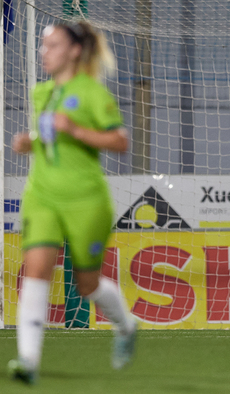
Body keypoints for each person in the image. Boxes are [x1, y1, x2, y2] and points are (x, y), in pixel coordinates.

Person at [7, 21, 137, 384]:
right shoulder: (41, 93)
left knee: (87, 285)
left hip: (86, 201)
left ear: (74, 51)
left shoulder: (92, 93)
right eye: (43, 46)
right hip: (42, 196)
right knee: (35, 272)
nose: (44, 52)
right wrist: (30, 142)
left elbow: (120, 141)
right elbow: (48, 138)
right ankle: (28, 361)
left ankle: (126, 327)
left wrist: (76, 129)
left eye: (52, 46)